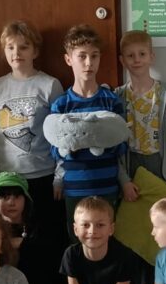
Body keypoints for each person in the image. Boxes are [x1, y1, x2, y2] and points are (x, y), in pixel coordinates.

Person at [0, 21, 65, 236]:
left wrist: (60, 176)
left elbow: (62, 136)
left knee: (45, 237)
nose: (16, 53)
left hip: (42, 177)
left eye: (24, 47)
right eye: (10, 47)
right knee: (10, 239)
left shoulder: (49, 85)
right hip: (7, 179)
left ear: (35, 51)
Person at [50, 24, 133, 228]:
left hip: (107, 184)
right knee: (77, 238)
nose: (89, 63)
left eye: (94, 56)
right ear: (68, 59)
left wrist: (102, 143)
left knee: (106, 236)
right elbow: (55, 149)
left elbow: (123, 142)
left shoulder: (111, 101)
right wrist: (70, 148)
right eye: (82, 56)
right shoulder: (61, 105)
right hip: (74, 187)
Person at [114, 30, 166, 188]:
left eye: (142, 54)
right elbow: (114, 144)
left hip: (159, 165)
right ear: (122, 60)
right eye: (130, 55)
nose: (137, 59)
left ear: (151, 57)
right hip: (131, 164)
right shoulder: (117, 96)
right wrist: (124, 180)